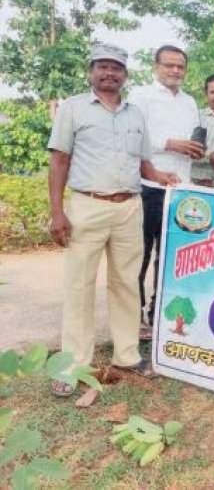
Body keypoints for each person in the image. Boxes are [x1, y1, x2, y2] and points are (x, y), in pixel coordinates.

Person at [47, 44, 180, 397]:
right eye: (102, 67)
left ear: (125, 75)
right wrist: (57, 211)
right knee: (79, 286)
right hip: (87, 206)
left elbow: (144, 162)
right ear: (90, 71)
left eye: (116, 68)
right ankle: (72, 365)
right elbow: (59, 159)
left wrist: (160, 175)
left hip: (128, 208)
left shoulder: (135, 114)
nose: (109, 73)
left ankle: (126, 354)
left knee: (125, 283)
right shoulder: (73, 109)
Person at [129, 45, 201, 329]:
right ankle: (132, 317)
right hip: (148, 185)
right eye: (168, 65)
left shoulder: (190, 101)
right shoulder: (140, 96)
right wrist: (169, 143)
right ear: (155, 67)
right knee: (140, 254)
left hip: (182, 190)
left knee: (171, 256)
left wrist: (195, 149)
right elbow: (133, 136)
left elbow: (192, 139)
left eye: (180, 66)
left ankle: (159, 316)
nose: (174, 71)